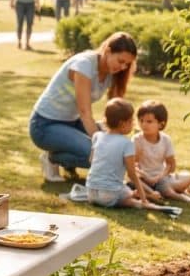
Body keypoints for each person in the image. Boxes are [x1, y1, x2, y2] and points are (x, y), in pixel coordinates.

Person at [30, 31, 137, 182]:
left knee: (110, 149)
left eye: (127, 64)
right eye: (121, 61)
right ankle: (52, 158)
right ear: (108, 51)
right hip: (44, 125)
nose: (123, 67)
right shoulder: (84, 65)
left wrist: (117, 140)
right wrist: (102, 144)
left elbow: (115, 111)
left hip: (72, 123)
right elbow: (84, 111)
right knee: (100, 154)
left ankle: (67, 158)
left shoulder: (112, 74)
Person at [133, 100, 190, 203]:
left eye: (149, 121)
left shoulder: (166, 140)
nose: (144, 124)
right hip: (143, 180)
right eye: (141, 120)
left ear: (161, 124)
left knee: (187, 177)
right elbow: (132, 167)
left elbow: (171, 166)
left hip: (162, 178)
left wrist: (158, 178)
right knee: (141, 184)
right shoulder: (136, 140)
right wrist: (146, 176)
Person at [86, 98, 153, 209]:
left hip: (90, 192)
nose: (133, 124)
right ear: (122, 124)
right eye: (131, 121)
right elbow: (132, 175)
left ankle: (128, 196)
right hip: (109, 195)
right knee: (127, 193)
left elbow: (91, 161)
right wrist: (143, 198)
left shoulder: (97, 136)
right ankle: (133, 201)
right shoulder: (127, 143)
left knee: (123, 188)